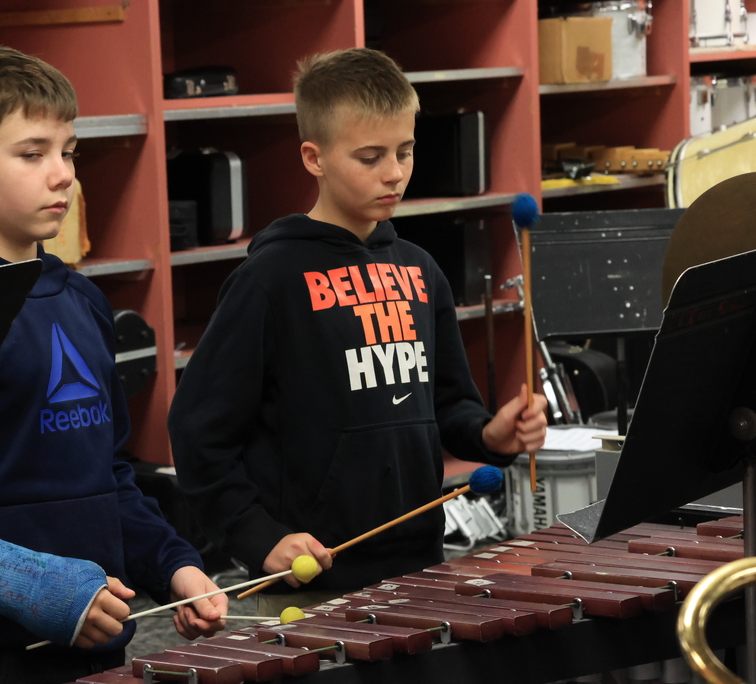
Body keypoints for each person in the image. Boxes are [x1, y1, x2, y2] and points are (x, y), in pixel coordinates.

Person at [0, 45, 226, 684]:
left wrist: (173, 564)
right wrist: (32, 588)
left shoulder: (80, 299)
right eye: (32, 154)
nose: (63, 175)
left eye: (68, 151)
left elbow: (109, 475)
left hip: (95, 647)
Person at [167, 48, 547, 615]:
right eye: (370, 157)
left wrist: (492, 435)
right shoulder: (271, 279)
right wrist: (256, 536)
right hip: (311, 580)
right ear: (313, 158)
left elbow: (450, 407)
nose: (393, 172)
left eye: (405, 151)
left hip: (420, 561)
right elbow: (198, 430)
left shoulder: (420, 270)